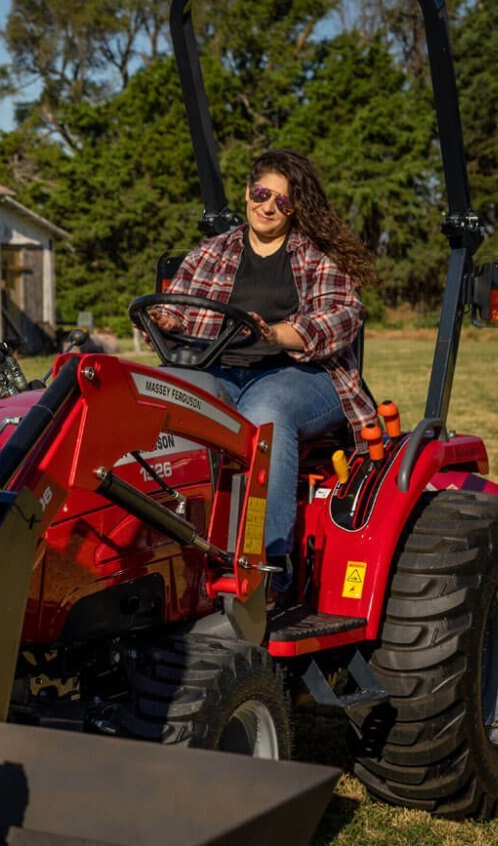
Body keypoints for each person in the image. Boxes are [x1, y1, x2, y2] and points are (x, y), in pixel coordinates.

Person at [153, 149, 379, 598]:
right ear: (247, 193)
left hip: (304, 376)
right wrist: (168, 319)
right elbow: (178, 303)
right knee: (166, 400)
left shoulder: (315, 257)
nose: (268, 206)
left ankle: (270, 564)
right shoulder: (211, 253)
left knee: (265, 414)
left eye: (283, 201)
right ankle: (170, 547)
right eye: (261, 194)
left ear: (295, 209)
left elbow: (344, 316)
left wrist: (279, 334)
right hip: (220, 369)